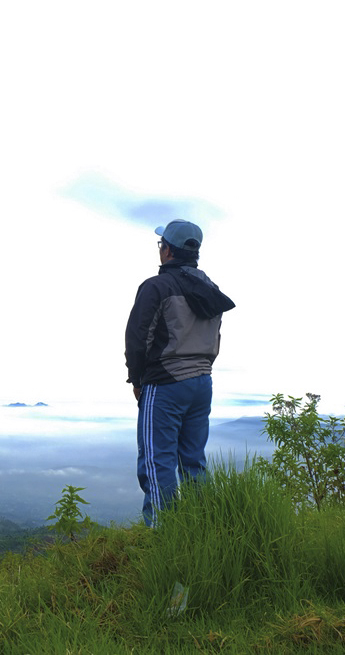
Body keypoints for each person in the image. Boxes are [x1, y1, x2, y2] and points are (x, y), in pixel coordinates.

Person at [124, 220, 235, 526]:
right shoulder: (210, 289)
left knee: (157, 462)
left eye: (161, 245)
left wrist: (137, 380)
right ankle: (203, 527)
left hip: (166, 384)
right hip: (202, 383)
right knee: (193, 460)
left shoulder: (156, 287)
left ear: (168, 251)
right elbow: (216, 337)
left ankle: (164, 537)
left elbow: (137, 339)